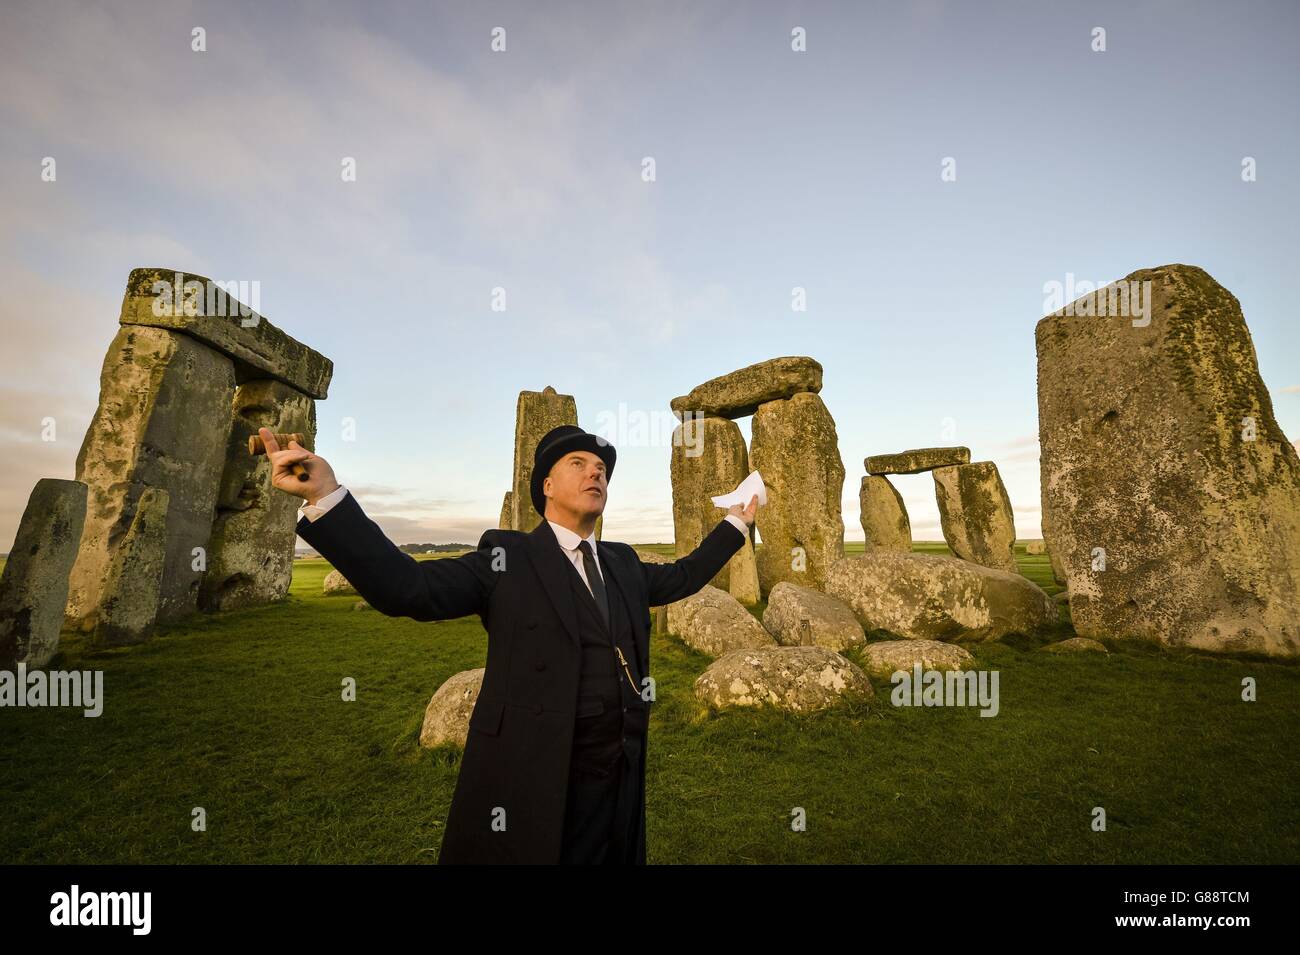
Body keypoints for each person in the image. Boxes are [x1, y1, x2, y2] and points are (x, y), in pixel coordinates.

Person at [262, 424, 759, 864]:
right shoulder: (505, 557)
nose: (596, 474)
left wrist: (736, 523)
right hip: (536, 768)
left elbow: (685, 575)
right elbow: (407, 589)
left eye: (602, 468)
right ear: (546, 485)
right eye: (579, 464)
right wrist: (325, 495)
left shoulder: (623, 562)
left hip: (618, 767)